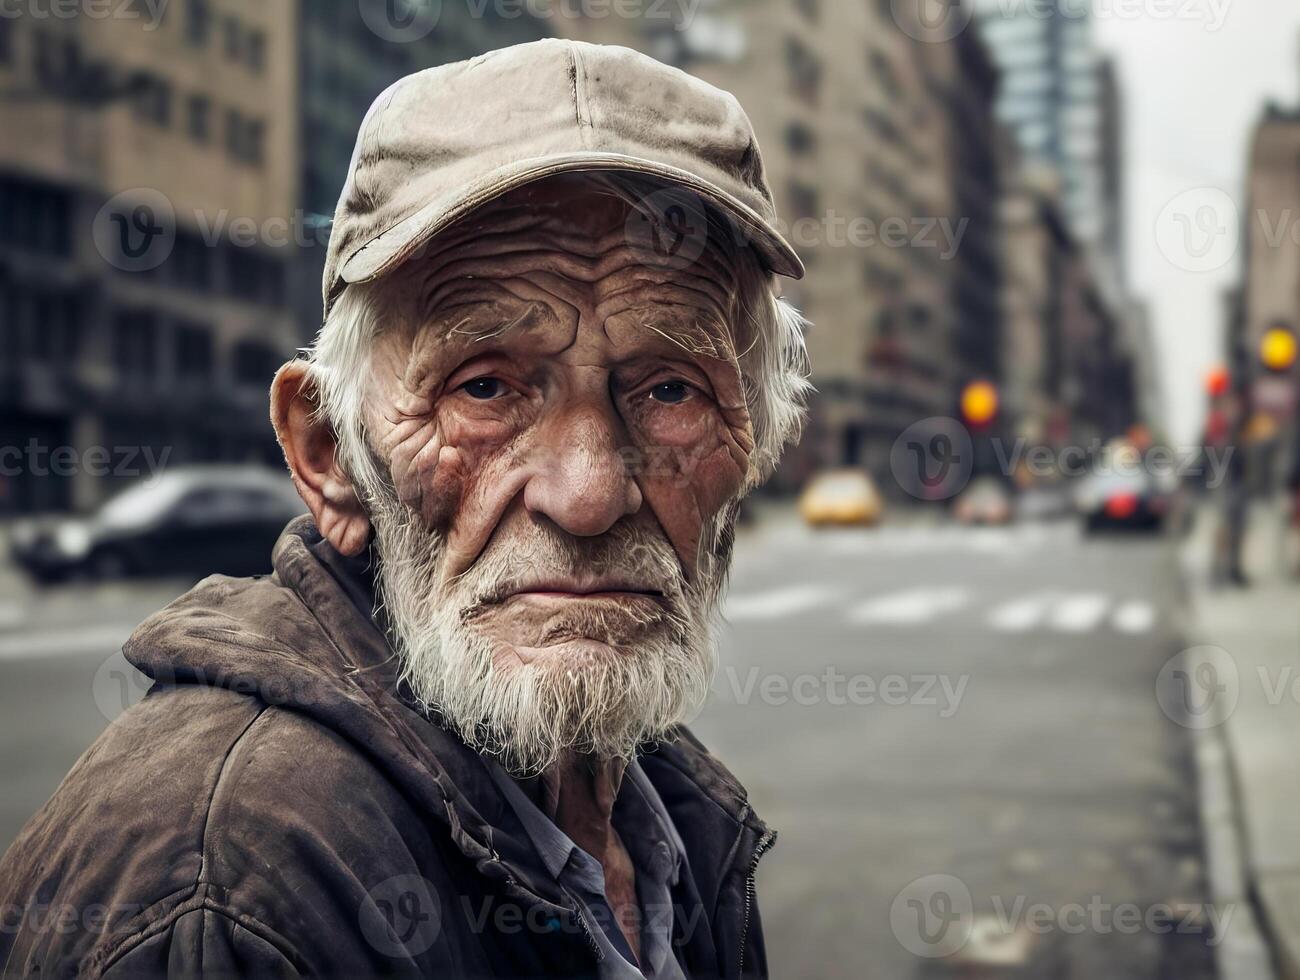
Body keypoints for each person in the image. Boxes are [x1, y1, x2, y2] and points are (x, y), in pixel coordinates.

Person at [0, 40, 811, 977]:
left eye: (672, 391)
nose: (588, 496)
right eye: (485, 389)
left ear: (753, 445)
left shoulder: (654, 807)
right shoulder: (223, 894)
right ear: (330, 456)